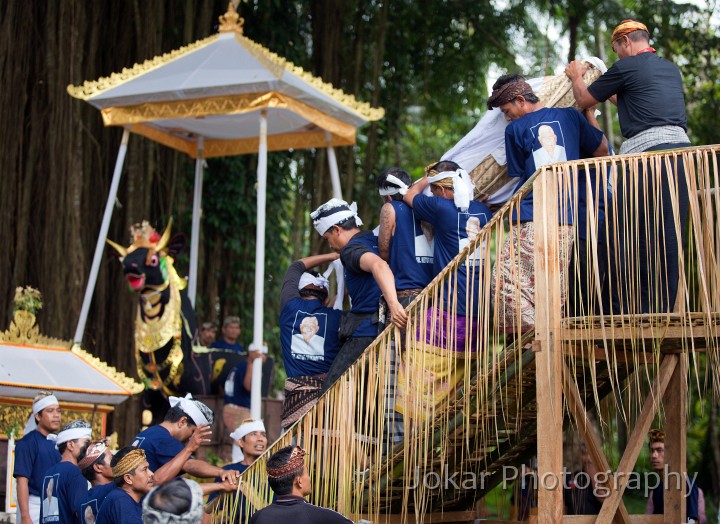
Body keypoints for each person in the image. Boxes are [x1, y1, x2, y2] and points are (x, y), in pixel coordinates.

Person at [566, 19, 691, 314]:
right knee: (669, 233)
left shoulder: (625, 67)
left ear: (624, 43)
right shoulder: (669, 68)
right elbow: (630, 96)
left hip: (647, 160)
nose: (617, 55)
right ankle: (663, 308)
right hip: (682, 157)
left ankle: (628, 308)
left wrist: (575, 76)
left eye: (616, 50)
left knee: (625, 232)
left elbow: (583, 97)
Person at [487, 73, 609, 333]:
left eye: (507, 111)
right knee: (554, 282)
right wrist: (589, 115)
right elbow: (602, 151)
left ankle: (536, 334)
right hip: (566, 218)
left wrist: (498, 203)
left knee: (504, 281)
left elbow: (520, 176)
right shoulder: (571, 116)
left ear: (521, 100)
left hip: (531, 215)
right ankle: (550, 333)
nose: (507, 117)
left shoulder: (515, 130)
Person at [400, 161, 492, 417]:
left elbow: (408, 194)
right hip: (478, 318)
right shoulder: (485, 211)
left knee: (413, 386)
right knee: (452, 390)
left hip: (447, 312)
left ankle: (413, 442)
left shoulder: (441, 207)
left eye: (435, 189)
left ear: (440, 188)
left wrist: (425, 177)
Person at [311, 198, 407, 392]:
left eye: (327, 238)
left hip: (366, 331)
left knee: (332, 392)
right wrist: (341, 294)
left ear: (337, 230)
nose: (330, 245)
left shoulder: (351, 250)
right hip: (383, 330)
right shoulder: (373, 241)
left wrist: (394, 305)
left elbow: (379, 266)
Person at [279, 253, 343, 429]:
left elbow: (296, 266)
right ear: (326, 298)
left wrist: (334, 255)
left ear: (299, 291)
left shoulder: (289, 308)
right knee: (330, 451)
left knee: (296, 453)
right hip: (329, 400)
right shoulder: (338, 318)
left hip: (297, 403)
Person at [131, 393, 240, 485]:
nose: (190, 438)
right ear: (182, 421)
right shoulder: (165, 440)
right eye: (193, 432)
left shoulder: (150, 432)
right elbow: (190, 465)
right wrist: (221, 472)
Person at [249, 446, 353, 523]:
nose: (309, 478)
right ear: (299, 481)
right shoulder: (324, 518)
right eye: (307, 473)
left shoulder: (257, 518)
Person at [376, 167, 434, 305]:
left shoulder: (390, 207)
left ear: (388, 197)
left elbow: (383, 252)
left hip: (407, 293)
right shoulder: (426, 205)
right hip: (434, 291)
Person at [14, 392, 62, 524]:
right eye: (50, 411)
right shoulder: (27, 443)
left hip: (54, 504)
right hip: (33, 505)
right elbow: (22, 481)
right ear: (38, 416)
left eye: (58, 411)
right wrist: (25, 516)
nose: (56, 415)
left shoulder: (58, 443)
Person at [207, 419, 267, 522]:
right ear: (241, 442)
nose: (260, 439)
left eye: (263, 435)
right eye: (253, 434)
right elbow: (209, 510)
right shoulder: (228, 472)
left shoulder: (275, 470)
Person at [645, 429, 705, 523]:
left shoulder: (686, 484)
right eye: (652, 450)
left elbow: (692, 520)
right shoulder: (656, 490)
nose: (654, 455)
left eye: (659, 450)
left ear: (671, 453)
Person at [39, 420, 92, 524]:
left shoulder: (49, 473)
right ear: (71, 445)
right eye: (86, 442)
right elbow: (81, 513)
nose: (89, 448)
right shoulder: (75, 473)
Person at [95, 447, 154, 524]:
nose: (151, 474)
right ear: (128, 478)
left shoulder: (134, 499)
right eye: (144, 469)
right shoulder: (121, 500)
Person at [223, 350, 266, 440]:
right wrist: (251, 363)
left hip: (229, 408)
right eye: (263, 354)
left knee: (239, 442)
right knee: (247, 442)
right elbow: (248, 385)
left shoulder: (238, 366)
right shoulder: (248, 366)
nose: (264, 357)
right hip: (239, 411)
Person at [78, 440, 115, 524]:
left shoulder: (82, 502)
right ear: (98, 467)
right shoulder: (113, 490)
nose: (117, 461)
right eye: (112, 458)